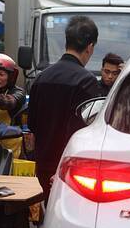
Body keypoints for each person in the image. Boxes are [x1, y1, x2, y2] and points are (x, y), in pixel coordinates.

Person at [27, 16, 102, 206]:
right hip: (71, 168)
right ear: (90, 47)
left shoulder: (42, 78)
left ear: (66, 42)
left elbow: (32, 125)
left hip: (43, 166)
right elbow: (90, 130)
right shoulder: (87, 81)